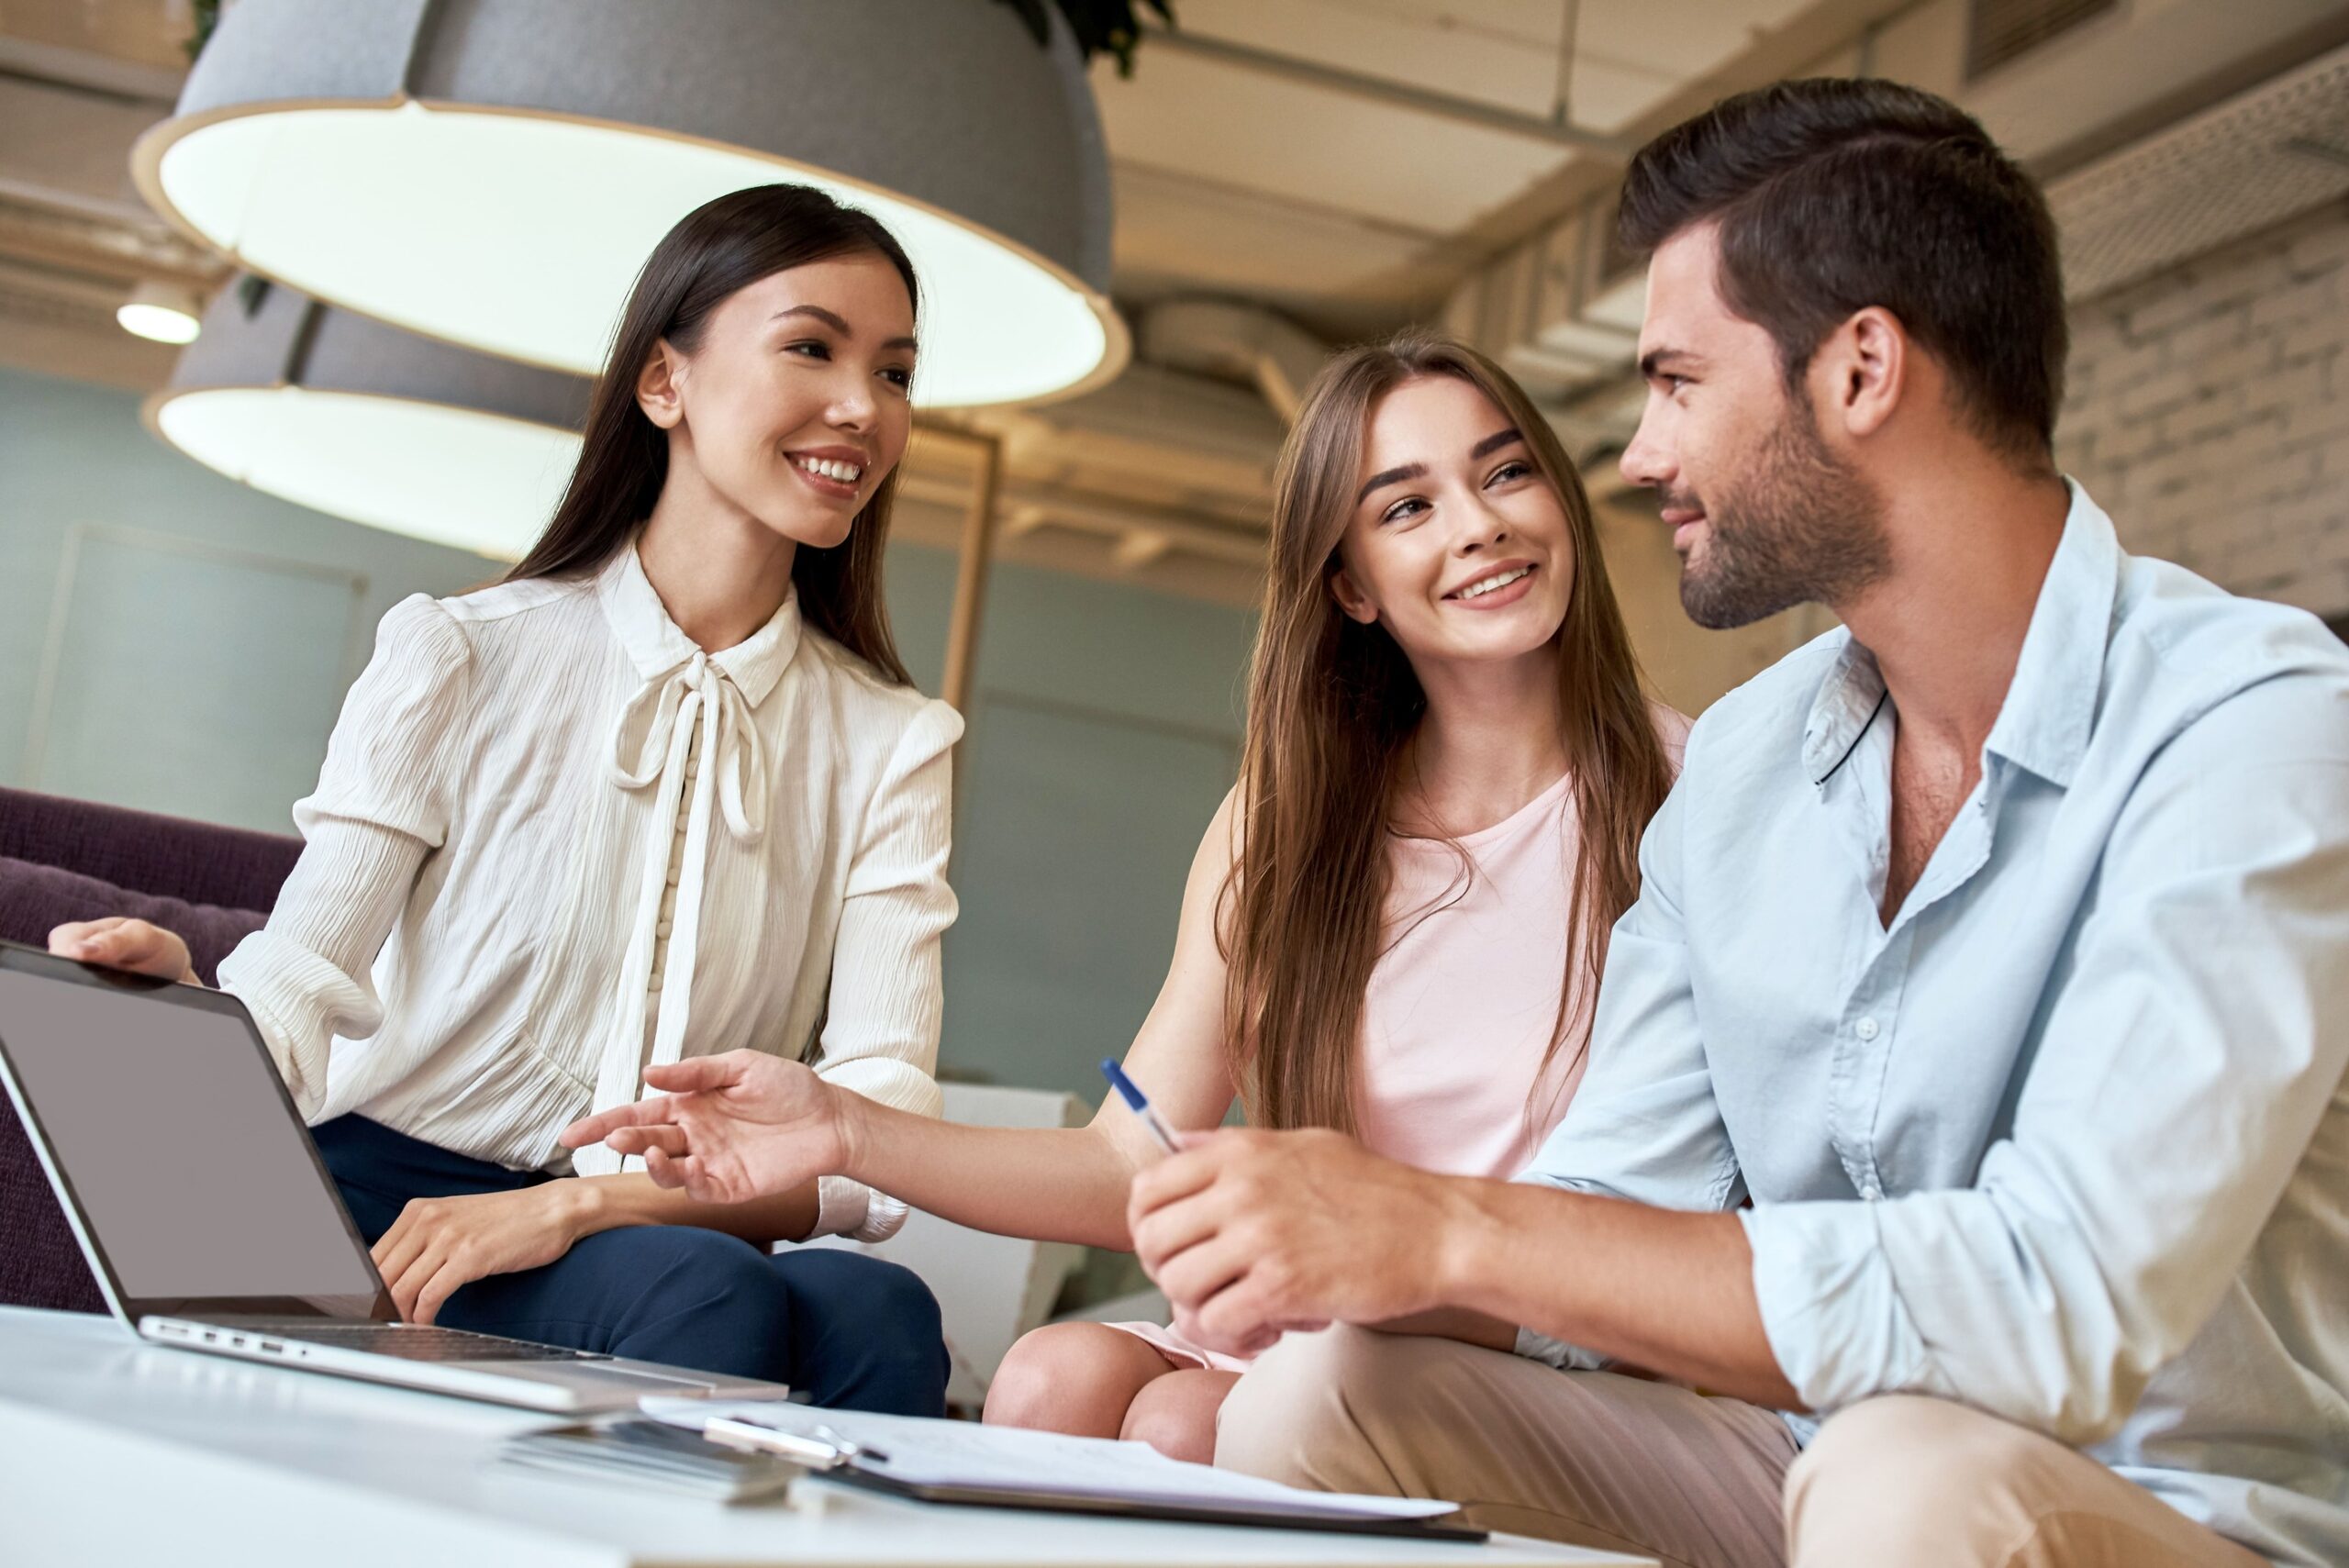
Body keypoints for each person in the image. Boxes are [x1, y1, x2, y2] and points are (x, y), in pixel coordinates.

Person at [1119, 79, 2349, 1568]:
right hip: (1806, 1456)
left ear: (1860, 370)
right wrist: (1329, 1228)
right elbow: (1605, 1208)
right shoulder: (1752, 761)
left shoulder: (2254, 719)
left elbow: (2056, 1298)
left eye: (1678, 381)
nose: (1636, 454)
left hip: (2160, 1510)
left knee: (1908, 1480)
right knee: (1324, 1393)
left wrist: (1447, 1223)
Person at [562, 330, 1685, 1460]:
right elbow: (1131, 1158)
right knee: (1053, 1376)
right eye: (1406, 507)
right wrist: (841, 1124)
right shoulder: (1287, 819)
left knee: (1185, 1420)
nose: (1478, 524)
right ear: (1348, 584)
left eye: (1504, 473)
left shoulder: (1688, 792)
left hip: (1506, 1337)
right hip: (1301, 1331)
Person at [49, 184, 958, 1415]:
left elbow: (881, 1135)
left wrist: (586, 1199)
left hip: (662, 1220)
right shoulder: (460, 653)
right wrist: (189, 1026)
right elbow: (302, 981)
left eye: (895, 371)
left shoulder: (893, 739)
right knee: (704, 1294)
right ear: (663, 383)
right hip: (404, 1201)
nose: (864, 406)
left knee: (881, 1312)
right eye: (813, 347)